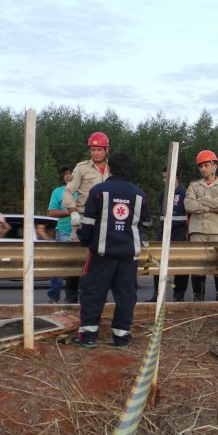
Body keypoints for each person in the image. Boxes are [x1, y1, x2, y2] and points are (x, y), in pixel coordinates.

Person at [74, 152, 152, 348]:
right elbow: (147, 222)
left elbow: (89, 224)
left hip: (102, 254)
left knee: (93, 292)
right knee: (126, 295)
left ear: (110, 168)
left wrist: (85, 241)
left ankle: (89, 336)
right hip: (128, 256)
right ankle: (121, 337)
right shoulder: (140, 195)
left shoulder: (99, 191)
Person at [62, 132, 111, 304]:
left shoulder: (113, 170)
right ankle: (71, 297)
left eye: (99, 149)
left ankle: (95, 298)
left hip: (104, 221)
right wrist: (72, 210)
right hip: (82, 218)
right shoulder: (81, 168)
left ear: (107, 150)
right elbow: (68, 191)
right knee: (77, 259)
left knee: (100, 261)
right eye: (93, 149)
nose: (96, 153)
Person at [184, 149, 218, 302]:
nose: (203, 169)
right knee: (197, 267)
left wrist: (201, 200)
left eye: (205, 165)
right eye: (200, 166)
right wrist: (212, 207)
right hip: (197, 230)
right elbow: (189, 205)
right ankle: (198, 299)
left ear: (214, 165)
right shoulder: (194, 185)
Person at [147, 167, 190, 302]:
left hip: (180, 232)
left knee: (181, 263)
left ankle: (179, 294)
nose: (164, 180)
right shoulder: (163, 194)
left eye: (167, 177)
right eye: (163, 177)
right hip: (164, 233)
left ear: (176, 177)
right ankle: (157, 294)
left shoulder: (184, 193)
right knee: (156, 260)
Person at [47, 165, 78, 304]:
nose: (68, 175)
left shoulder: (82, 191)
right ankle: (54, 297)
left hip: (81, 232)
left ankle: (78, 297)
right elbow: (52, 212)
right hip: (64, 232)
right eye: (66, 173)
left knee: (81, 266)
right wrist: (69, 212)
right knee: (59, 266)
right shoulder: (58, 192)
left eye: (71, 173)